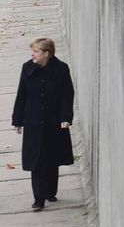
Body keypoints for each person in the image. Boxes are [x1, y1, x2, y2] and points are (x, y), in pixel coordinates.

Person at [10, 38, 75, 211]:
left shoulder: (61, 69)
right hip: (33, 122)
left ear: (47, 53)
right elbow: (21, 95)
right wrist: (18, 119)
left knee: (52, 158)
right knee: (36, 161)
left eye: (36, 51)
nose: (32, 54)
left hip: (54, 122)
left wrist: (66, 117)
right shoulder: (27, 68)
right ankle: (38, 198)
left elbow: (67, 95)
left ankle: (50, 192)